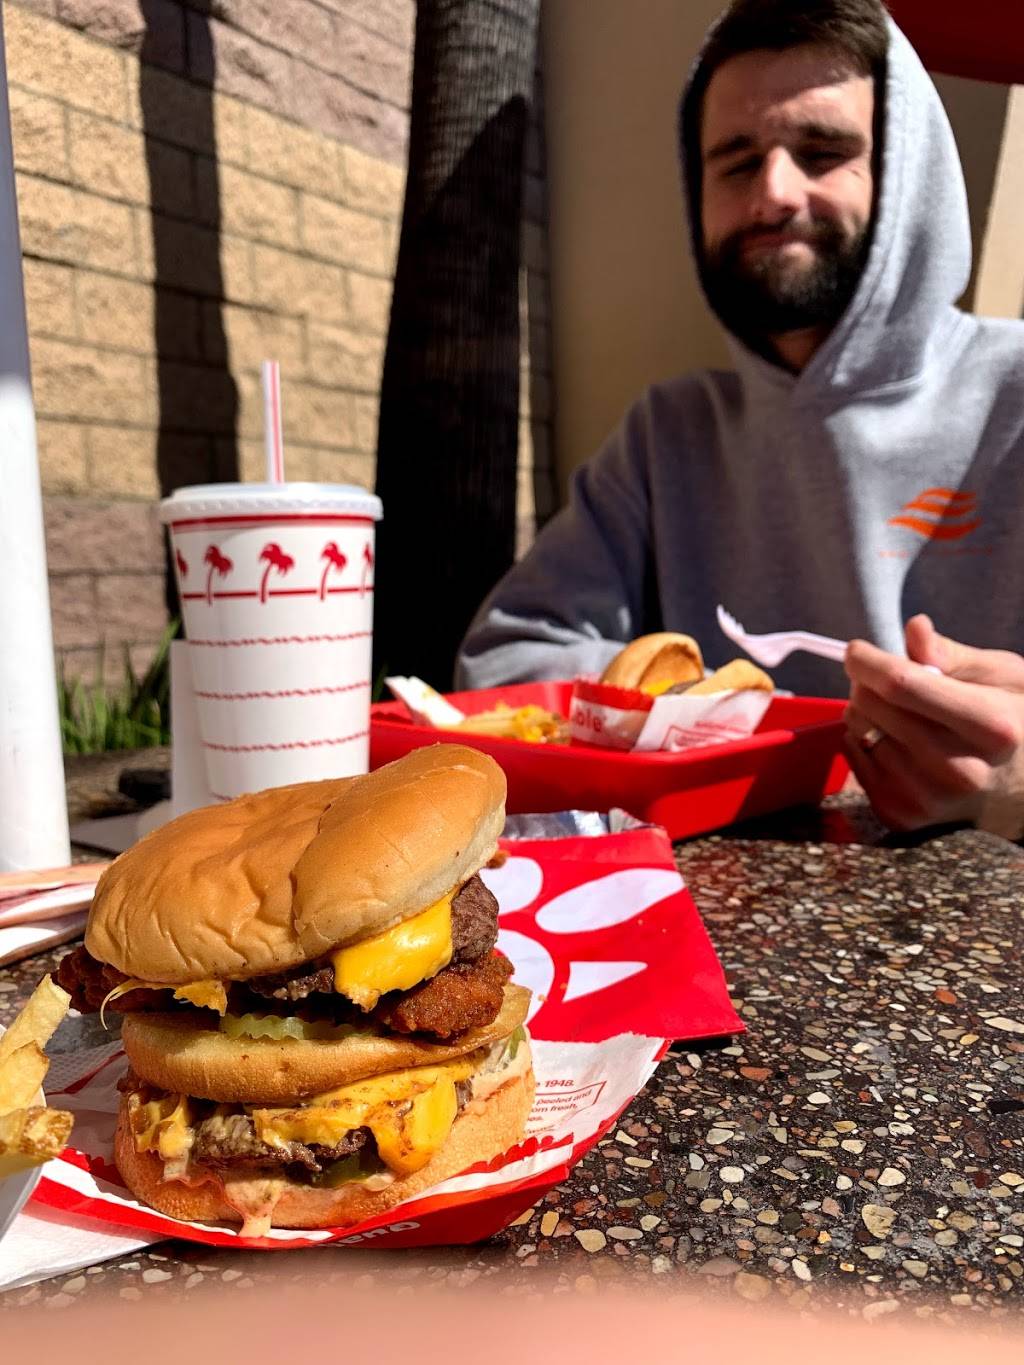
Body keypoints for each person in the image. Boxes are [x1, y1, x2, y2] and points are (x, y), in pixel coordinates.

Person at [456, 0, 1024, 837]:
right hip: (696, 915)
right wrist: (688, 716)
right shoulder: (668, 432)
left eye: (823, 151)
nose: (773, 192)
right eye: (736, 161)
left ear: (909, 175)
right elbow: (506, 662)